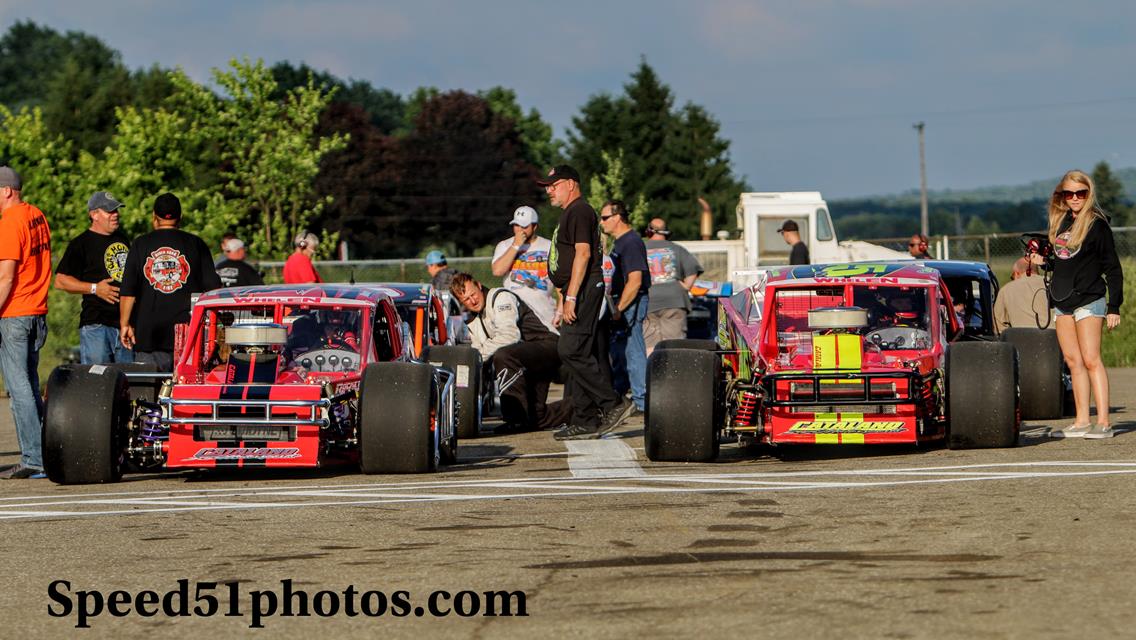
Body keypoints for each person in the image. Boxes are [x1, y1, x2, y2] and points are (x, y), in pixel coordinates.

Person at [539, 165, 632, 440]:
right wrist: (562, 299)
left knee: (570, 350)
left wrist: (571, 297)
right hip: (576, 289)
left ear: (570, 184)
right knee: (580, 351)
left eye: (553, 185)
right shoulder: (571, 213)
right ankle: (585, 418)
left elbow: (582, 254)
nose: (549, 190)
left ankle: (612, 402)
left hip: (584, 289)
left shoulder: (579, 210)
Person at [1040, 170, 1123, 439]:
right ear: (1062, 195)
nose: (1075, 198)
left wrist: (1114, 306)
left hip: (1090, 299)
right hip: (1062, 301)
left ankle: (1104, 421)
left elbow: (1113, 268)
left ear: (1089, 194)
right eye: (1069, 193)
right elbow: (1063, 262)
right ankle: (1081, 420)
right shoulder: (1061, 222)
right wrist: (1042, 260)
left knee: (1090, 359)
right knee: (1073, 361)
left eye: (1081, 193)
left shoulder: (1097, 225)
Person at [450, 272, 569, 433]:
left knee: (504, 355)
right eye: (466, 300)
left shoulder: (500, 297)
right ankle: (584, 407)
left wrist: (476, 357)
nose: (473, 301)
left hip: (547, 346)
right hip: (526, 359)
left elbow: (510, 335)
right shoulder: (473, 321)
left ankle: (514, 419)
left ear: (479, 286)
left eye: (473, 294)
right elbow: (480, 355)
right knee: (536, 417)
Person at [119, 193, 222, 371]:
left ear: (154, 217)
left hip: (149, 336)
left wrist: (125, 324)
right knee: (184, 393)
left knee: (148, 394)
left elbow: (129, 290)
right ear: (180, 217)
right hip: (188, 336)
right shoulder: (196, 244)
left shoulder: (140, 244)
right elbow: (213, 288)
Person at [0, 166, 51, 479]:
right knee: (30, 385)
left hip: (15, 312)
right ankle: (44, 453)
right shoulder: (37, 216)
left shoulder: (10, 221)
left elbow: (6, 276)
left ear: (6, 191)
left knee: (18, 389)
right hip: (37, 310)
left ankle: (33, 458)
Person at [53, 191, 133, 364]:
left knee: (128, 384)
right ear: (94, 214)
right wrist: (95, 288)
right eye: (110, 211)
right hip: (97, 325)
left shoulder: (123, 239)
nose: (116, 215)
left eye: (117, 211)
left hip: (124, 325)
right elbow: (60, 281)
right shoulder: (81, 243)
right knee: (97, 383)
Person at [600, 200, 650, 413]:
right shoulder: (620, 242)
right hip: (623, 301)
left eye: (604, 218)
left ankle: (643, 401)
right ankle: (621, 395)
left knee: (634, 350)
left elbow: (635, 280)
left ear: (617, 217)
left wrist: (619, 307)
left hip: (631, 301)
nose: (601, 222)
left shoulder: (630, 242)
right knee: (621, 351)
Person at [491, 205, 558, 331]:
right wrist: (516, 245)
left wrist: (561, 310)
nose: (519, 230)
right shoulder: (505, 245)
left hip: (545, 315)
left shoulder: (549, 246)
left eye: (524, 226)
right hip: (514, 317)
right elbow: (497, 271)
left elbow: (561, 281)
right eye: (516, 225)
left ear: (535, 226)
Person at [643, 218, 704, 355]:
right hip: (674, 301)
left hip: (648, 302)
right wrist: (686, 286)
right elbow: (693, 270)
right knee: (674, 344)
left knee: (650, 345)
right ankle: (674, 374)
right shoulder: (677, 249)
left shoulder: (641, 249)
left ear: (649, 230)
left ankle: (653, 375)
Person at [993, 257, 1051, 333]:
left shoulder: (1005, 290)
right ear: (1037, 271)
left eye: (1012, 277)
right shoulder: (1053, 284)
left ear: (1016, 273)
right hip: (1056, 339)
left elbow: (999, 327)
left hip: (1020, 341)